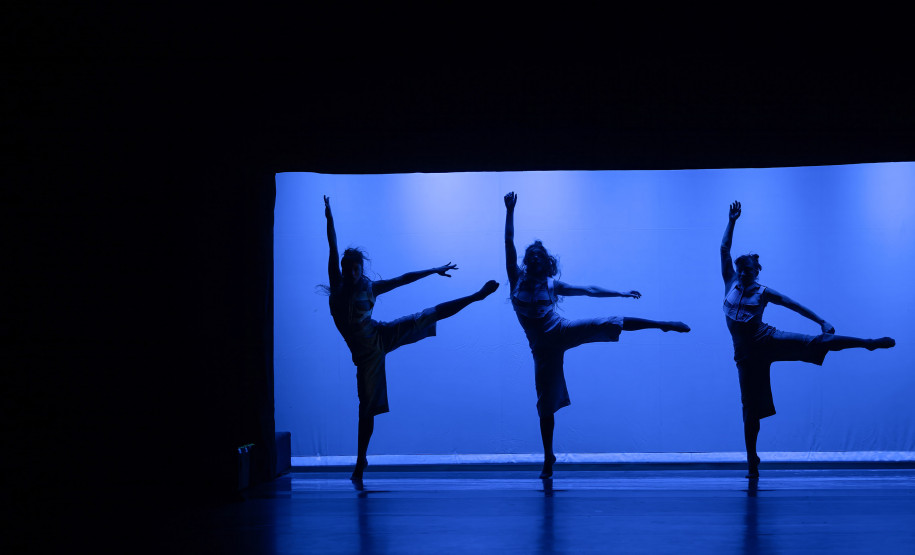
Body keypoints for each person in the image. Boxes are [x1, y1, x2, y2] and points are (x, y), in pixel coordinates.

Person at [503, 192, 690, 478]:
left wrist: (621, 292)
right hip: (541, 349)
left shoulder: (552, 285)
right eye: (533, 258)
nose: (537, 261)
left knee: (606, 322)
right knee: (545, 403)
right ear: (528, 261)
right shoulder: (515, 278)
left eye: (541, 258)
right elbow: (508, 244)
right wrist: (510, 211)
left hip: (560, 330)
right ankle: (548, 457)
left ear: (546, 263)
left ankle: (662, 323)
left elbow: (589, 289)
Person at [323, 196, 500, 481]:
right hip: (366, 356)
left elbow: (404, 278)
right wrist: (329, 216)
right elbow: (332, 247)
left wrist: (433, 270)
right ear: (344, 269)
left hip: (380, 335)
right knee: (365, 409)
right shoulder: (338, 287)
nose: (352, 272)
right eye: (348, 268)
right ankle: (361, 460)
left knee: (426, 315)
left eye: (356, 268)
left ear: (361, 269)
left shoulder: (371, 287)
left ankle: (476, 296)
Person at [720, 201, 895, 479]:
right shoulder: (730, 282)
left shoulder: (763, 291)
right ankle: (752, 458)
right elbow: (724, 250)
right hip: (745, 356)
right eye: (742, 269)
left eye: (749, 270)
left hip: (767, 339)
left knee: (816, 341)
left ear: (757, 271)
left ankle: (867, 342)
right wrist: (733, 221)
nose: (744, 273)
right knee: (750, 409)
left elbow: (793, 305)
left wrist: (821, 320)